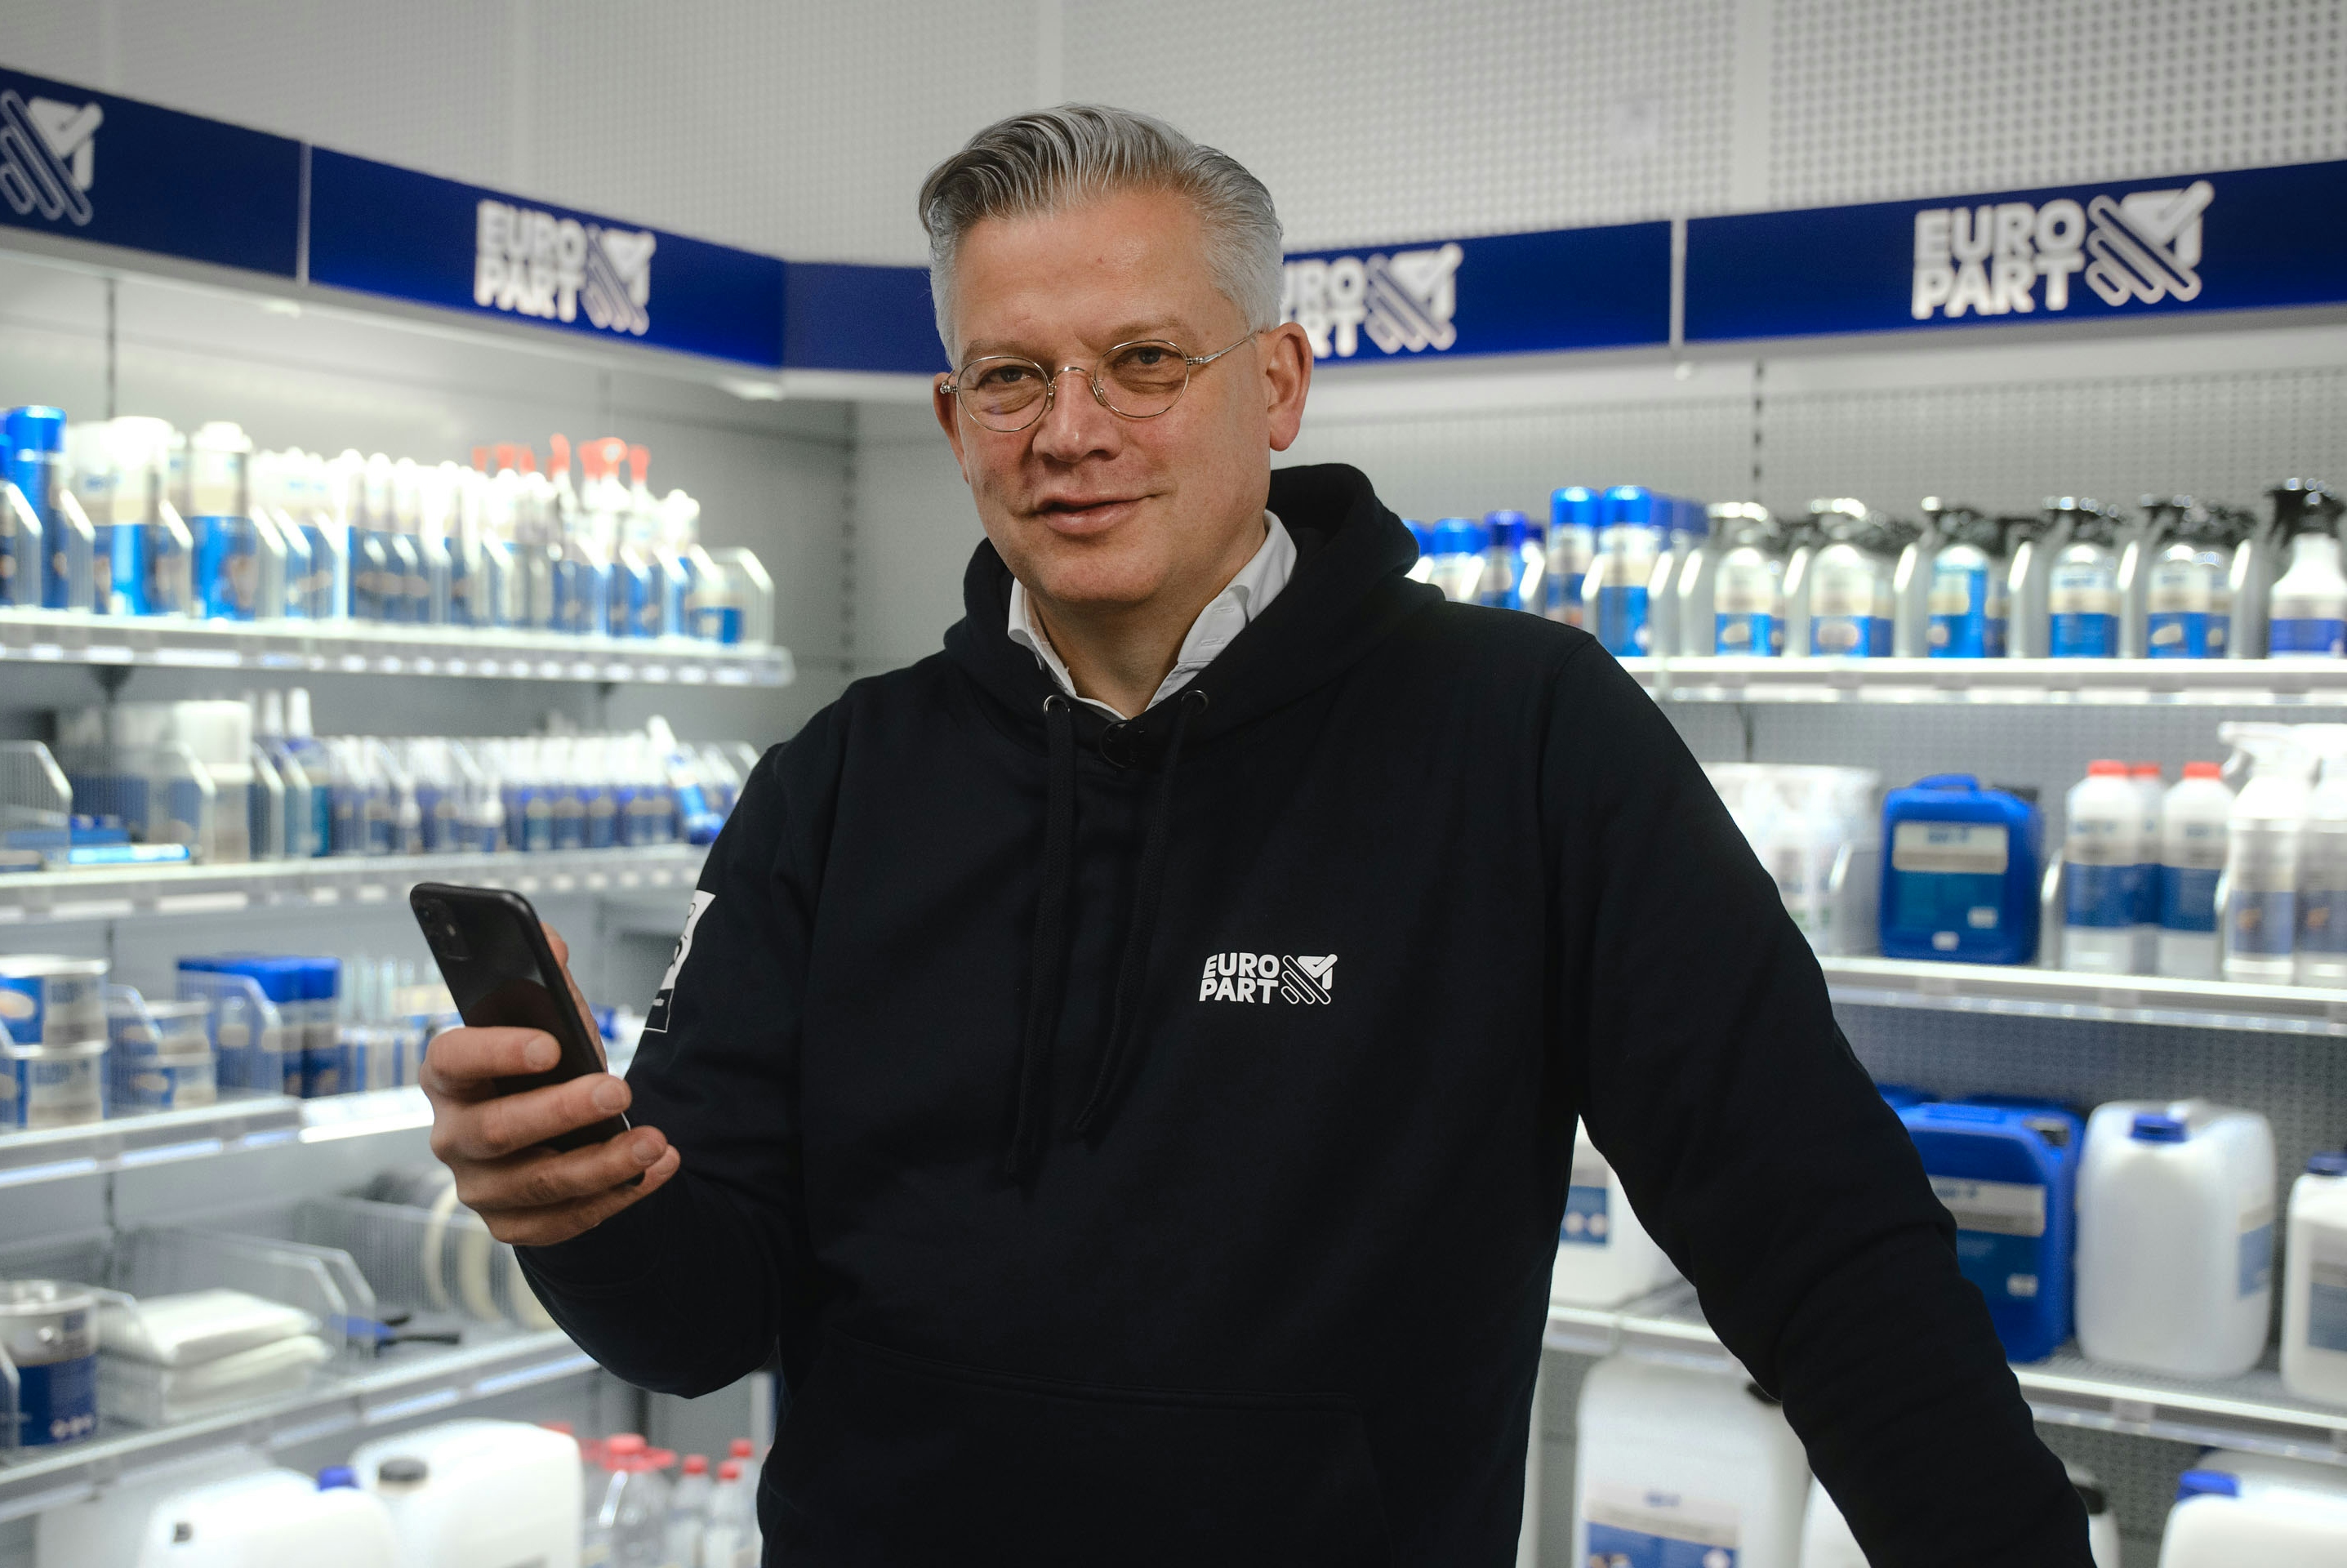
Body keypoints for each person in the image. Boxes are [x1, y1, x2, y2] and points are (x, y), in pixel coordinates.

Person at [422, 106, 2091, 1564]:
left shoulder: (1524, 740)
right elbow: (707, 1315)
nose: (1069, 430)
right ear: (953, 423)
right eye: (1012, 377)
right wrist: (577, 1202)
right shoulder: (841, 785)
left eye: (1144, 362)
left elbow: (1819, 1233)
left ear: (1276, 385)